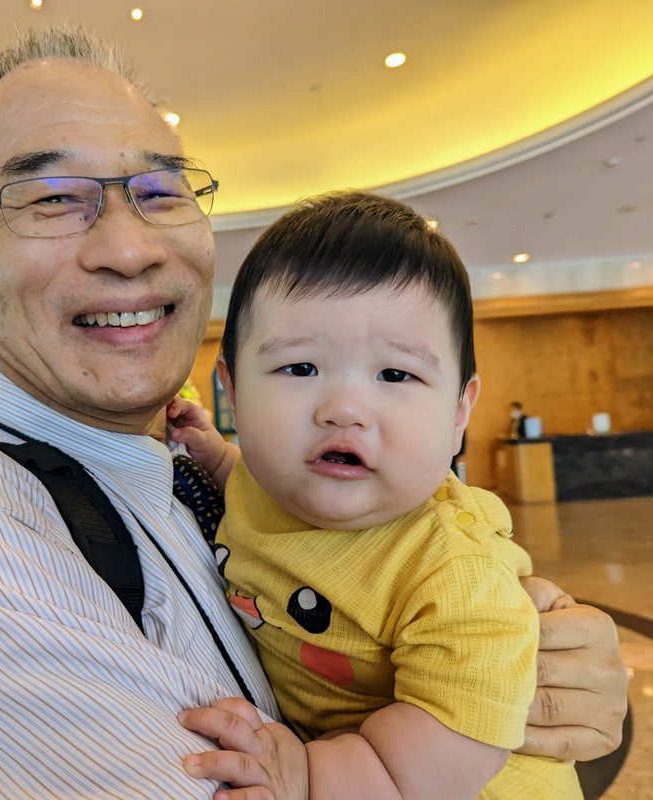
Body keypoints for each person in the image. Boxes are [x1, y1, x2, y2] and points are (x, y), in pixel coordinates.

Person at [0, 24, 626, 800]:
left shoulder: (226, 479)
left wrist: (541, 662)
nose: (130, 248)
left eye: (161, 192)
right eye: (53, 197)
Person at [171, 192, 583, 798]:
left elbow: (447, 750)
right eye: (300, 368)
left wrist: (304, 777)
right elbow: (250, 487)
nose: (345, 409)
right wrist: (212, 452)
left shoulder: (453, 573)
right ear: (232, 391)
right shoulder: (269, 483)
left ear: (459, 411)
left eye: (395, 374)